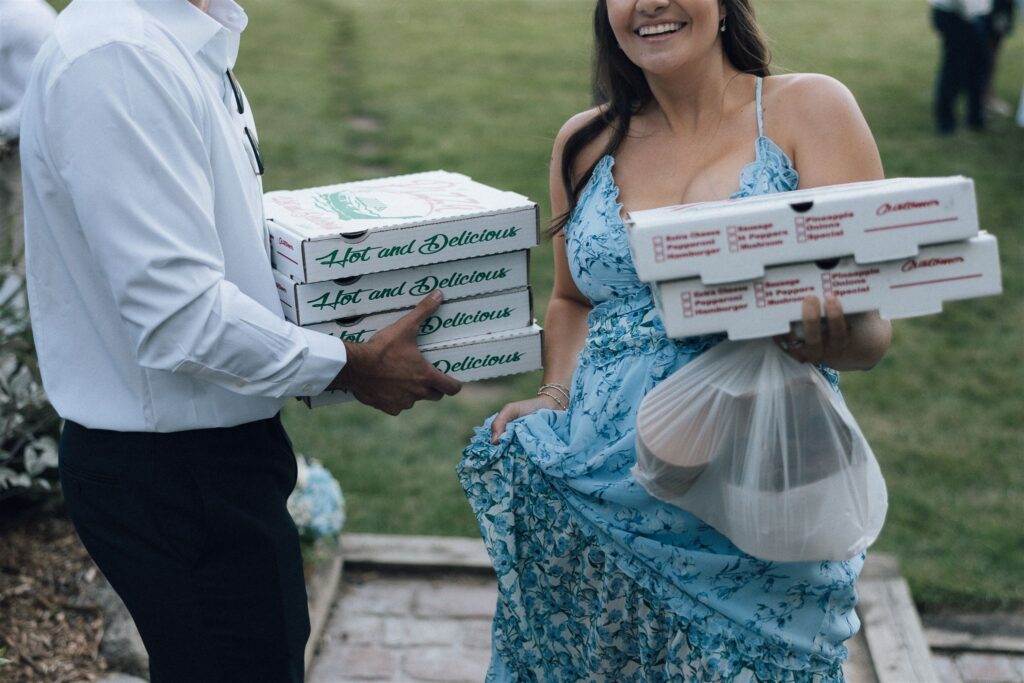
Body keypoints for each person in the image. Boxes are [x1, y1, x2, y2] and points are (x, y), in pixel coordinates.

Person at [19, 0, 460, 680]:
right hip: (172, 475)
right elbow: (180, 315)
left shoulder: (175, 38)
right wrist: (352, 364)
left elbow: (212, 251)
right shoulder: (118, 56)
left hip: (206, 462)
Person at [458, 0, 892, 679]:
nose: (650, 3)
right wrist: (552, 394)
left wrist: (827, 333)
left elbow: (872, 336)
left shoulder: (810, 111)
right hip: (597, 500)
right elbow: (572, 298)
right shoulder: (585, 142)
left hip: (751, 499)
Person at [0, 0, 56, 273]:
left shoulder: (26, 19)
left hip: (24, 155)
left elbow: (39, 100)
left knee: (21, 252)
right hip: (7, 146)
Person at [929, 0, 995, 133]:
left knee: (979, 66)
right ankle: (946, 122)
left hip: (970, 14)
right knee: (955, 69)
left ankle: (975, 117)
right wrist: (971, 14)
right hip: (958, 14)